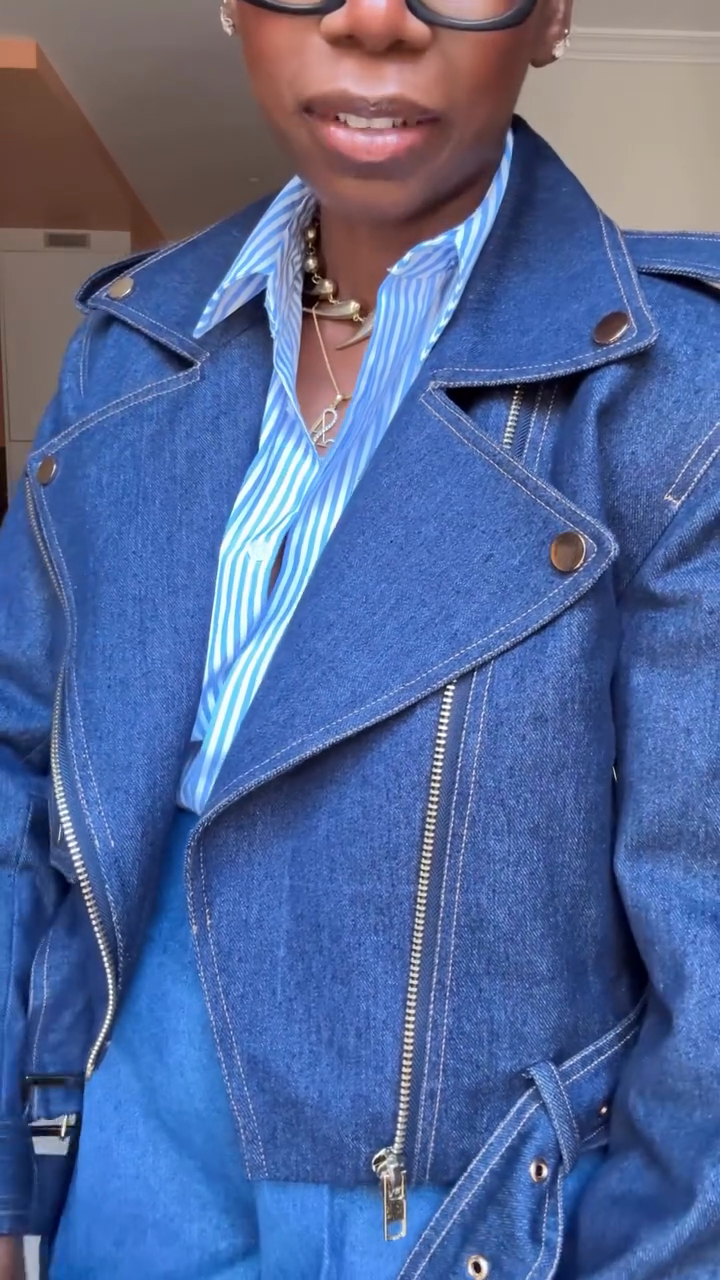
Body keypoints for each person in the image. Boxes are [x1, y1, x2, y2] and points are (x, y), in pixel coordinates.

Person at [1, 0, 720, 1274]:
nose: (377, 18)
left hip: (469, 1210)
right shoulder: (124, 352)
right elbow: (19, 760)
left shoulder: (676, 386)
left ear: (552, 15)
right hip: (127, 1157)